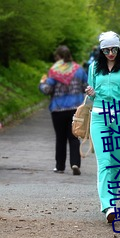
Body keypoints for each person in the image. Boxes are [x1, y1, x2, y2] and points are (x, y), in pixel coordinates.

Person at [85, 31, 120, 223]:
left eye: (114, 49)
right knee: (104, 162)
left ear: (119, 48)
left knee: (116, 163)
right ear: (101, 50)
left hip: (119, 118)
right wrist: (90, 92)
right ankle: (107, 205)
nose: (110, 53)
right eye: (106, 50)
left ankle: (113, 201)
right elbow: (91, 96)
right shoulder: (93, 68)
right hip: (99, 117)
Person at [39, 45, 88, 175]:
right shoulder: (79, 70)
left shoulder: (54, 71)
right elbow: (86, 87)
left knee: (60, 138)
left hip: (58, 109)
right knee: (74, 137)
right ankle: (75, 163)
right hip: (75, 109)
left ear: (58, 57)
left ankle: (60, 166)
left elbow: (47, 90)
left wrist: (42, 83)